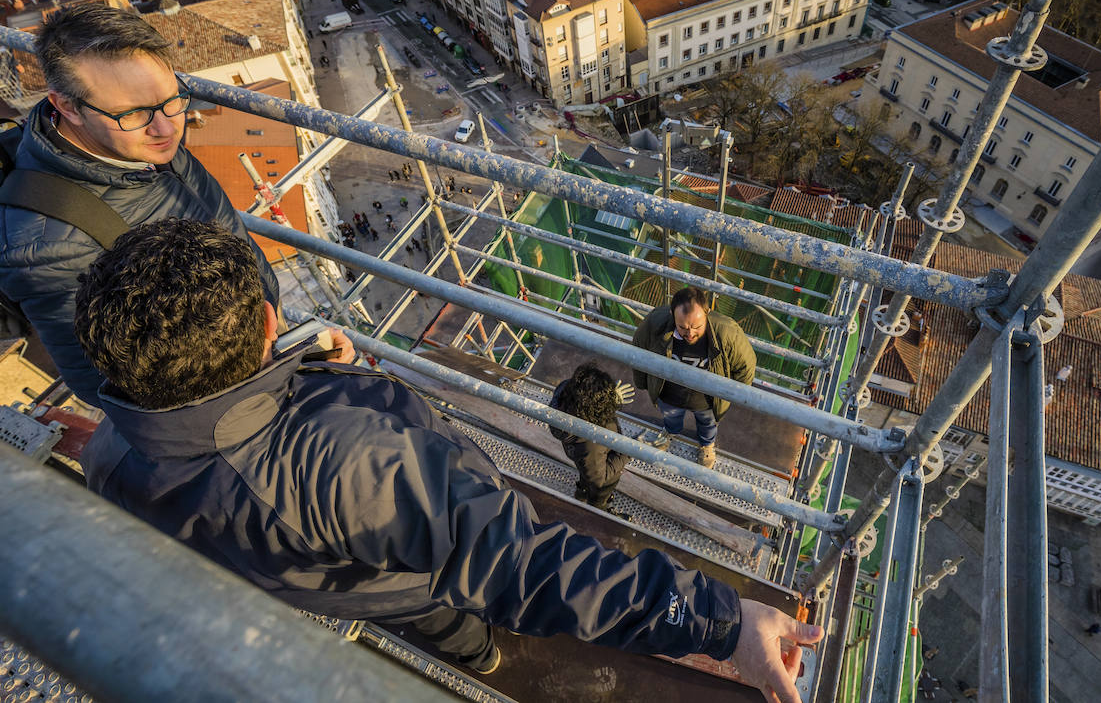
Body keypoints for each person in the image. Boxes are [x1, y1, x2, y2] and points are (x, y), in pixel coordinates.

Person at [73, 219, 819, 697]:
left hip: (318, 574)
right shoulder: (345, 463)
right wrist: (724, 620)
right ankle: (486, 658)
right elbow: (528, 565)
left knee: (451, 626)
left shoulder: (111, 447)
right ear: (271, 320)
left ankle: (478, 661)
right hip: (403, 576)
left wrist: (302, 371)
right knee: (459, 607)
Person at [0, 2, 279, 406]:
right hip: (226, 403)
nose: (166, 127)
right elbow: (111, 389)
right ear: (67, 106)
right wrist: (268, 369)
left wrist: (283, 339)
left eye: (173, 100)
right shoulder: (41, 248)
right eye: (134, 113)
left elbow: (226, 232)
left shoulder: (138, 141)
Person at [631, 288, 755, 468]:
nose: (689, 334)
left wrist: (735, 395)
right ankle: (670, 432)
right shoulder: (655, 323)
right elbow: (638, 350)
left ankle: (706, 444)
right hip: (669, 394)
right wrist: (642, 382)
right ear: (672, 315)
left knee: (708, 424)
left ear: (707, 313)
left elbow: (745, 365)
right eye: (682, 327)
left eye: (697, 327)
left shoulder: (727, 333)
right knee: (671, 417)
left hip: (707, 400)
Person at [549, 364, 630, 511]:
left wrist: (608, 397)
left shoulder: (564, 395)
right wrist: (631, 449)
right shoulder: (593, 440)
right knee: (599, 490)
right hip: (602, 471)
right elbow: (600, 477)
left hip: (582, 457)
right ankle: (597, 506)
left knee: (585, 473)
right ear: (596, 408)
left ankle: (581, 493)